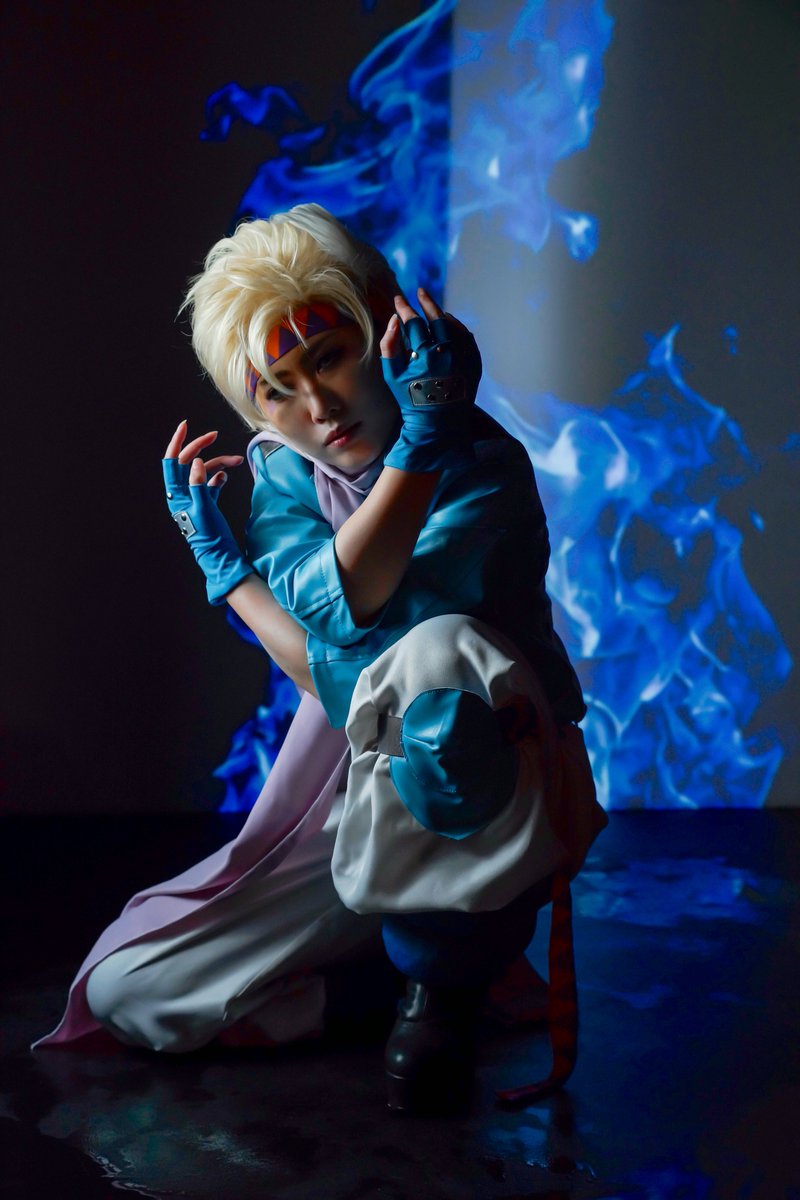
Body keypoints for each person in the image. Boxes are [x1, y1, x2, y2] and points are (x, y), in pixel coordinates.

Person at [35, 204, 606, 1113]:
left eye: (331, 356)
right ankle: (377, 989)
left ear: (387, 331)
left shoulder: (479, 463)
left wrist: (421, 447)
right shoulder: (285, 473)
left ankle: (444, 982)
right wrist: (227, 567)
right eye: (276, 389)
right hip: (350, 778)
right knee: (130, 991)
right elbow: (335, 650)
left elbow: (366, 634)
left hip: (482, 780)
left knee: (435, 655)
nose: (318, 407)